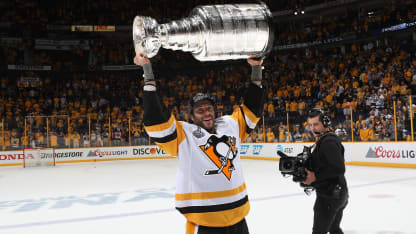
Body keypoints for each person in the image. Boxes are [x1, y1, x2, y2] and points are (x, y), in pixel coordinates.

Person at [134, 53, 264, 234]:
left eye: (209, 108)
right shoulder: (184, 135)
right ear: (192, 117)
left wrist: (256, 68)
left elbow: (253, 108)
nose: (207, 113)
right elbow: (156, 120)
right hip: (204, 223)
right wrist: (148, 75)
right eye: (200, 110)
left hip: (238, 220)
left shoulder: (230, 125)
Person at [304, 108, 349, 234]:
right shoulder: (325, 140)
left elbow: (339, 168)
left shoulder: (328, 141)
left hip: (330, 197)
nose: (313, 128)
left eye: (316, 124)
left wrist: (315, 177)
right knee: (334, 229)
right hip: (338, 194)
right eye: (310, 125)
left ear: (325, 123)